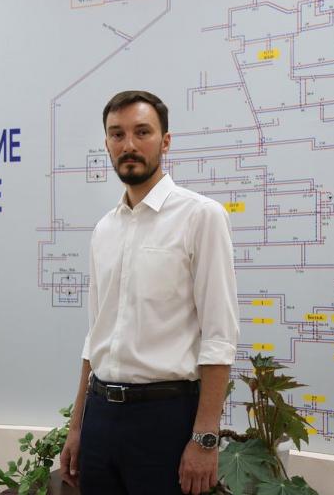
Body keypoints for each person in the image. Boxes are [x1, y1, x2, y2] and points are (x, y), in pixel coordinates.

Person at [59, 90, 239, 495]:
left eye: (142, 132)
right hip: (100, 417)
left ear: (165, 141)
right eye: (117, 134)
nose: (129, 144)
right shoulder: (104, 229)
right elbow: (95, 336)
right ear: (107, 143)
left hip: (165, 419)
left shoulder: (201, 216)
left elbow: (219, 338)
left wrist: (205, 439)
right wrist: (77, 427)